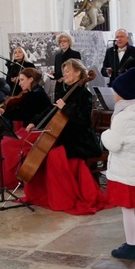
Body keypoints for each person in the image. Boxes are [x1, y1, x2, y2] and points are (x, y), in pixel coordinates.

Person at [21, 59, 104, 214]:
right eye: (64, 71)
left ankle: (65, 197)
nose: (64, 74)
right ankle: (43, 192)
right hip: (65, 136)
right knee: (37, 149)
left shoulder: (84, 94)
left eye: (67, 71)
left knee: (53, 156)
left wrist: (65, 108)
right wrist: (35, 122)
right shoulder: (66, 91)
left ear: (78, 73)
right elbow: (51, 110)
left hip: (80, 139)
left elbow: (84, 120)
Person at [102, 68, 135, 260]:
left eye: (116, 91)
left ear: (123, 94)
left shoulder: (122, 117)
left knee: (127, 211)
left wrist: (105, 133)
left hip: (125, 172)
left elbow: (114, 145)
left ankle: (130, 247)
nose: (114, 94)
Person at [0, 67, 52, 190]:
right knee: (4, 141)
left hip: (38, 132)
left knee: (6, 144)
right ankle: (6, 178)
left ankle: (11, 179)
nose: (19, 83)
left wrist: (6, 113)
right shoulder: (32, 93)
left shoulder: (37, 94)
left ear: (31, 79)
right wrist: (4, 112)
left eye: (22, 80)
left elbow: (25, 114)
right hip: (29, 129)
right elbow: (22, 114)